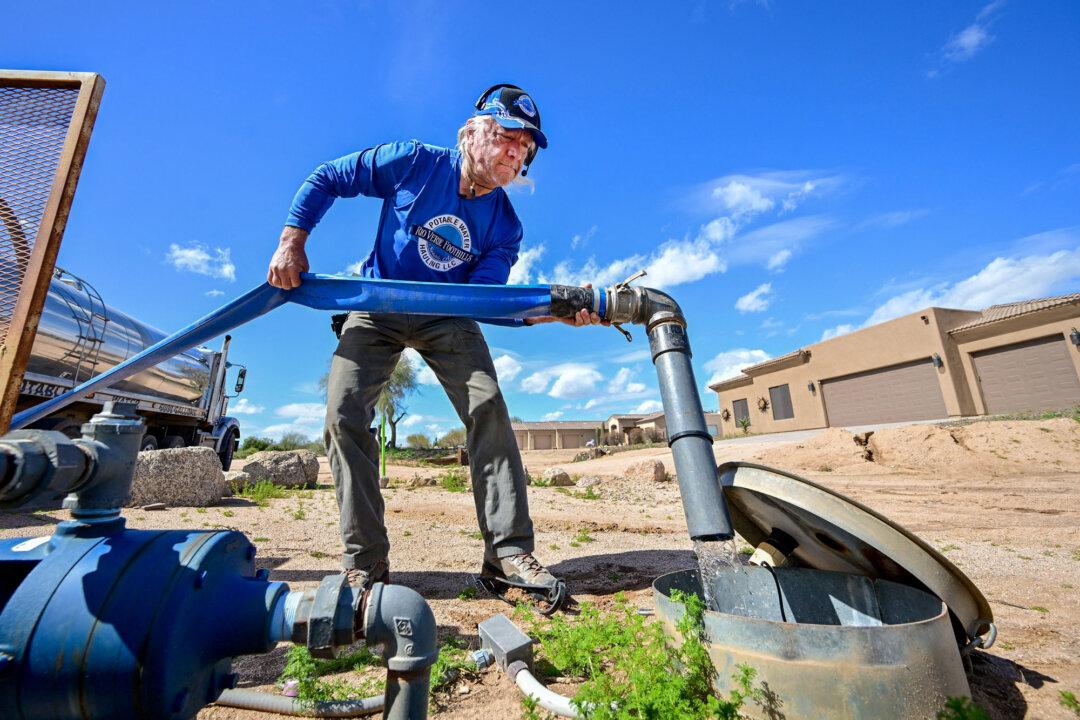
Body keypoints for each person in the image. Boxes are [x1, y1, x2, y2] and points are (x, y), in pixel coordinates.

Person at [267, 84, 602, 608]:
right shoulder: (413, 163)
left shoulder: (505, 226)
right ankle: (365, 566)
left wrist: (553, 312)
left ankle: (507, 557)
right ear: (471, 132)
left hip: (447, 314)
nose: (516, 151)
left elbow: (488, 299)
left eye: (525, 147)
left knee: (487, 406)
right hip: (376, 303)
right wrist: (293, 240)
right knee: (343, 413)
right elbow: (327, 177)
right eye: (506, 135)